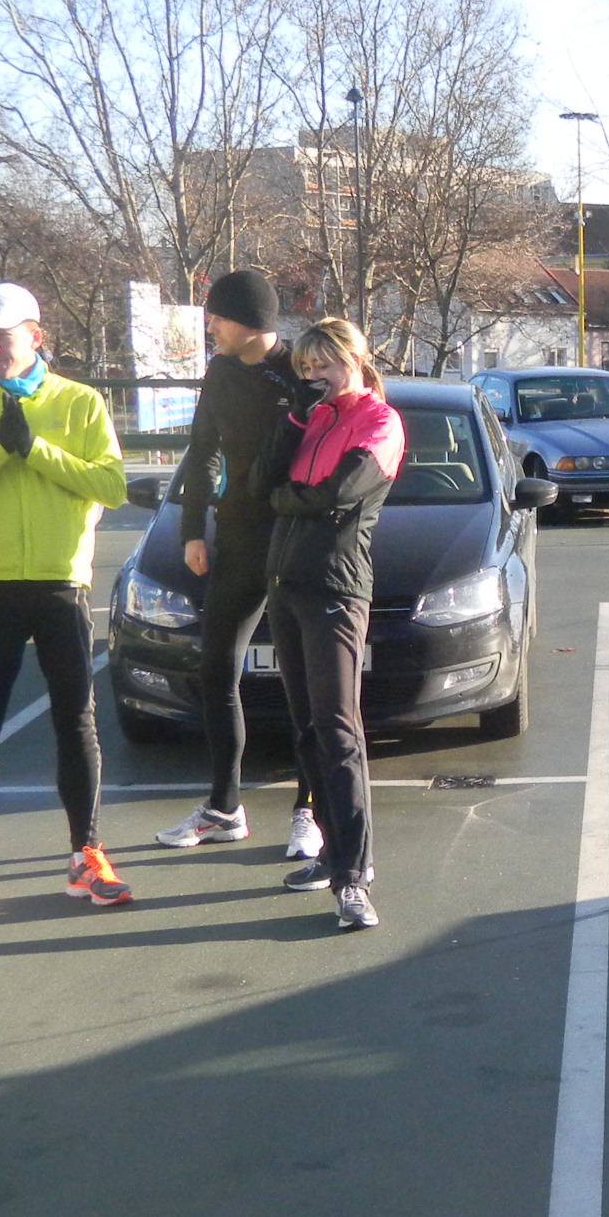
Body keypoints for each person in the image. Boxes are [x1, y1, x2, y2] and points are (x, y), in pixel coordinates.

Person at [0, 282, 131, 913]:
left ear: (35, 337)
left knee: (76, 720)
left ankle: (85, 854)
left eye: (3, 336)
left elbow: (112, 486)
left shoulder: (81, 402)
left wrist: (34, 449)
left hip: (62, 580)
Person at [152, 268, 319, 857]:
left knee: (305, 681)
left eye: (218, 318)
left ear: (251, 322)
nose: (210, 328)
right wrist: (192, 531)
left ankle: (310, 809)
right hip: (240, 539)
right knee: (217, 668)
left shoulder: (301, 368)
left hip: (295, 538)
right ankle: (224, 808)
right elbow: (202, 452)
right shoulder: (220, 372)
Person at [259, 318, 402, 932]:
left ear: (354, 358)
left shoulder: (379, 421)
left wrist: (285, 497)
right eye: (306, 367)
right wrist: (294, 418)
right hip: (286, 587)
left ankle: (353, 876)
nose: (315, 376)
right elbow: (262, 480)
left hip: (336, 590)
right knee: (308, 731)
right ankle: (328, 851)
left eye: (325, 364)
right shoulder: (313, 418)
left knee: (339, 732)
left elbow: (338, 495)